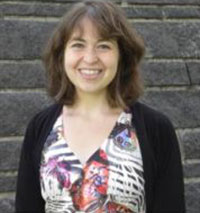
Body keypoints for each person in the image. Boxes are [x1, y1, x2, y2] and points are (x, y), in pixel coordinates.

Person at [15, 0, 185, 212]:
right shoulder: (40, 128)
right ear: (62, 55)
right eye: (78, 44)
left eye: (104, 46)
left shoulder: (156, 129)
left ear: (122, 56)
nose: (90, 58)